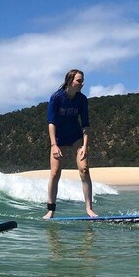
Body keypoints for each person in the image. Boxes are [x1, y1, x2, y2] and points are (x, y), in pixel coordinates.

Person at [43, 69, 97, 219]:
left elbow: (85, 125)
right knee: (55, 173)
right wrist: (53, 145)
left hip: (75, 137)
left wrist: (85, 146)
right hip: (59, 138)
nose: (82, 83)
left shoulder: (82, 99)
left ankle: (89, 209)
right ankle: (50, 210)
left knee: (84, 170)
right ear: (70, 81)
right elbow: (51, 123)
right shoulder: (57, 98)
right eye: (79, 80)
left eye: (82, 80)